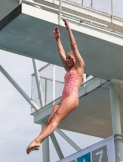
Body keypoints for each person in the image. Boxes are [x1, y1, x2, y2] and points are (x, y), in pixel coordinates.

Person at [26, 19, 85, 154]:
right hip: (64, 98)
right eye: (67, 59)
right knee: (50, 119)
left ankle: (37, 140)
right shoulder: (69, 70)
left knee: (56, 118)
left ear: (75, 60)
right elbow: (61, 53)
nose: (67, 60)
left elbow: (73, 46)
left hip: (72, 96)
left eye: (69, 59)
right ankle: (38, 141)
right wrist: (57, 39)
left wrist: (68, 29)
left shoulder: (79, 69)